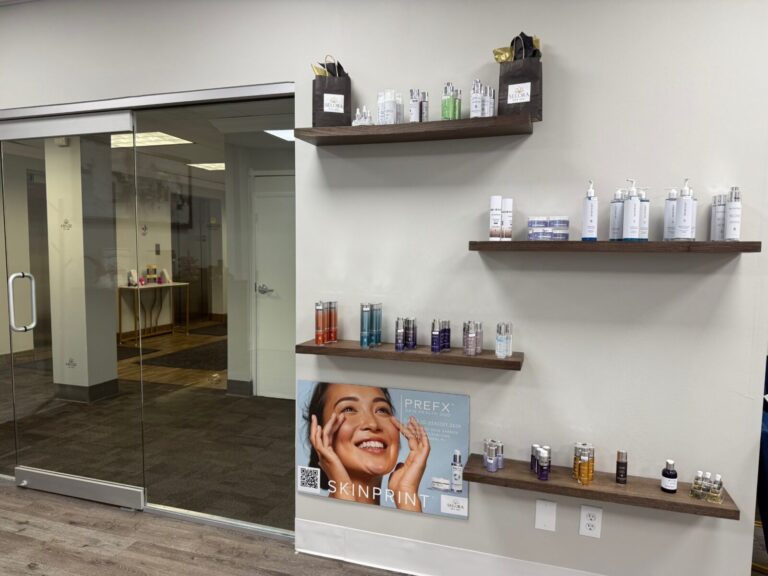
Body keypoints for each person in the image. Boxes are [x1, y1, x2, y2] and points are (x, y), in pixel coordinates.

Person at [304, 382, 430, 512]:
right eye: (349, 409)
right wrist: (343, 492)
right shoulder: (310, 517)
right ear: (318, 434)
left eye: (382, 410)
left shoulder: (401, 511)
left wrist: (406, 494)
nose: (373, 424)